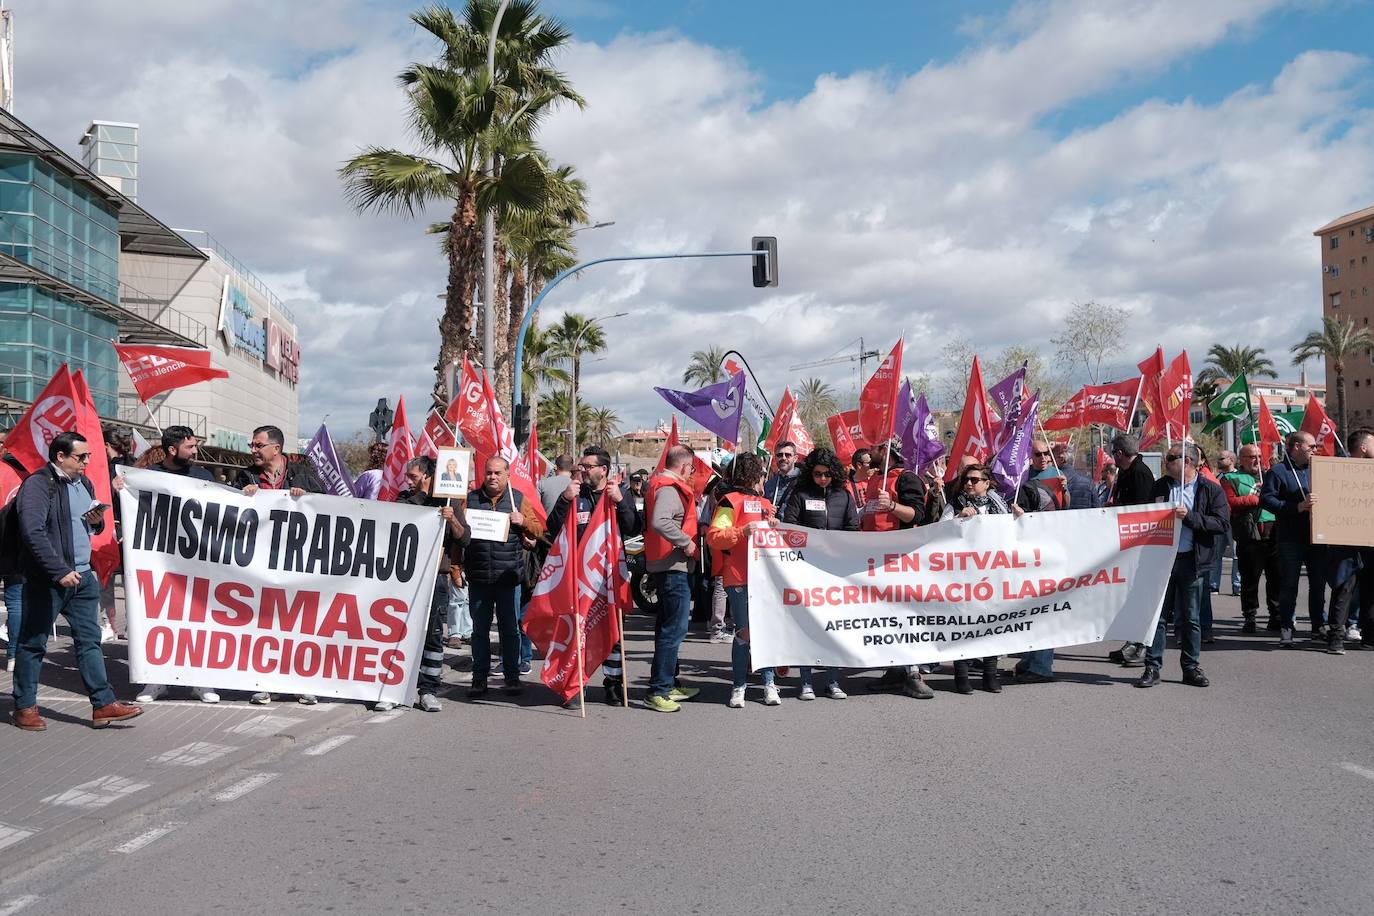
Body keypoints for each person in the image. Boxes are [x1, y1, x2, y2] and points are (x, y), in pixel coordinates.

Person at [10, 432, 143, 731]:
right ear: (60, 456)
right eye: (80, 457)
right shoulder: (38, 484)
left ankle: (103, 704)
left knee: (89, 642)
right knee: (34, 644)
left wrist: (95, 521)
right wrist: (58, 570)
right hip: (48, 579)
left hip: (83, 577)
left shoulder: (84, 483)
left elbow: (87, 527)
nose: (87, 462)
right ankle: (24, 707)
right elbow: (32, 532)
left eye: (88, 456)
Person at [119, 426, 222, 704]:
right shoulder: (148, 477)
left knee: (198, 623)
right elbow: (127, 508)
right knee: (159, 620)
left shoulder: (203, 476)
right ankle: (156, 681)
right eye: (190, 447)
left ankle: (201, 681)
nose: (195, 451)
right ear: (172, 450)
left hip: (196, 564)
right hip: (159, 563)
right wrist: (121, 489)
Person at [234, 425, 326, 704]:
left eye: (258, 445)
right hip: (260, 565)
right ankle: (264, 682)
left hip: (297, 564)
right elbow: (229, 513)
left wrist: (306, 497)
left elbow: (329, 508)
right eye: (252, 445)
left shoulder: (303, 474)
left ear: (276, 448)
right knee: (263, 625)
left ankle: (302, 682)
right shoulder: (246, 476)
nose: (253, 450)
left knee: (297, 624)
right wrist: (242, 495)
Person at [546, 445, 640, 708]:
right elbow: (552, 527)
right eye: (581, 467)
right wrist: (565, 499)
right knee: (578, 633)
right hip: (580, 577)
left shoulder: (619, 493)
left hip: (609, 575)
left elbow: (633, 527)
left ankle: (613, 684)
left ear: (604, 470)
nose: (583, 471)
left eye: (588, 467)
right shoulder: (575, 494)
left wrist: (621, 504)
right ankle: (575, 685)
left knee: (612, 630)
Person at [1135, 443, 1229, 689]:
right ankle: (1152, 667)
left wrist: (1190, 517)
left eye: (1171, 457)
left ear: (1187, 461)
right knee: (1157, 617)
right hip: (1161, 562)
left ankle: (1190, 668)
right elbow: (1144, 517)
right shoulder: (1160, 487)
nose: (1166, 462)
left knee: (1190, 617)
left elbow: (1221, 523)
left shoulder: (1209, 489)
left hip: (1191, 561)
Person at [380, 456, 469, 711]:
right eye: (408, 476)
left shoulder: (449, 503)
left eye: (413, 476)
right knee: (397, 632)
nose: (408, 480)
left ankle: (428, 689)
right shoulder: (403, 500)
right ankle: (392, 688)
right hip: (405, 578)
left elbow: (465, 540)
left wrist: (451, 519)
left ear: (429, 476)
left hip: (436, 579)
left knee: (432, 635)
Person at [781, 447, 857, 700]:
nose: (822, 479)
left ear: (834, 473)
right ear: (810, 473)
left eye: (827, 474)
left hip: (834, 572)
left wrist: (838, 549)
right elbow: (790, 526)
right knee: (807, 626)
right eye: (817, 474)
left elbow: (852, 528)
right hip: (806, 569)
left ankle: (833, 681)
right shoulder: (800, 494)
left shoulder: (844, 496)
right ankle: (805, 682)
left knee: (833, 627)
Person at [704, 453, 780, 708]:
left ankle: (769, 684)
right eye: (759, 472)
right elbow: (714, 537)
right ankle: (739, 686)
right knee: (744, 633)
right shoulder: (729, 503)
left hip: (766, 579)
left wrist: (775, 525)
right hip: (739, 577)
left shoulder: (766, 504)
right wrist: (742, 531)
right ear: (753, 474)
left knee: (765, 634)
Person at [862, 442, 936, 699]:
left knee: (905, 616)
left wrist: (892, 506)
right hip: (873, 560)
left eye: (874, 447)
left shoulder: (907, 479)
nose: (868, 451)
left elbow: (917, 515)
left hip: (898, 560)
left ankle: (914, 673)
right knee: (886, 617)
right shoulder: (874, 480)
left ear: (887, 450)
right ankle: (895, 669)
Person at [941, 461, 1023, 693]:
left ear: (987, 483)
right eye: (966, 480)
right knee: (964, 625)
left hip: (993, 574)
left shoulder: (1001, 505)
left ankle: (990, 675)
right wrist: (958, 518)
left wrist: (1019, 518)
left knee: (992, 625)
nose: (968, 484)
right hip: (964, 576)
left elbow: (1015, 535)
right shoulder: (956, 503)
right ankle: (962, 676)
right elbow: (938, 531)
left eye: (974, 480)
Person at [465, 457, 541, 699]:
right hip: (479, 578)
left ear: (507, 474)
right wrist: (456, 568)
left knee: (510, 630)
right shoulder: (471, 499)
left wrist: (524, 521)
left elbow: (539, 529)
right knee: (479, 631)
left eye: (498, 473)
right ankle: (479, 679)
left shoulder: (518, 499)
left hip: (509, 579)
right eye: (488, 473)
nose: (492, 477)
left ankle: (512, 677)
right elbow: (460, 537)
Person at [643, 445, 701, 712]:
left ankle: (668, 684)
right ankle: (659, 689)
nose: (692, 473)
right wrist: (686, 543)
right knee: (673, 631)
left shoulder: (661, 484)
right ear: (684, 466)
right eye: (692, 469)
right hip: (672, 566)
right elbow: (660, 521)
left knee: (668, 628)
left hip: (668, 565)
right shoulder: (668, 488)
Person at [1260, 431, 1330, 648]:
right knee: (1289, 584)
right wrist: (1295, 507)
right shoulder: (1279, 472)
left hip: (1317, 537)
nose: (1314, 450)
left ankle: (1318, 626)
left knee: (1318, 584)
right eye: (1311, 446)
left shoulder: (1318, 469)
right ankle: (1287, 626)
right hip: (1290, 538)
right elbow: (1266, 500)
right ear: (1297, 447)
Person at [1220, 444, 1279, 634]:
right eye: (1252, 456)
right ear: (1242, 459)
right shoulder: (1231, 478)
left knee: (1276, 578)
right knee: (1250, 580)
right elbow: (1230, 502)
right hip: (1250, 536)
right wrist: (1256, 500)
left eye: (1259, 456)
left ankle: (1276, 616)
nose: (1257, 460)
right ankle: (1250, 616)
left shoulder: (1271, 476)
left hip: (1274, 532)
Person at [1109, 434, 1155, 666]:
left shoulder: (1140, 474)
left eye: (1113, 452)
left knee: (1140, 597)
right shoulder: (1126, 472)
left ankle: (1141, 645)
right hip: (1127, 544)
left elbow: (1142, 512)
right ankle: (1132, 641)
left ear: (1119, 453)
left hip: (1139, 545)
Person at [98, 424, 134, 643]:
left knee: (121, 579)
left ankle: (122, 624)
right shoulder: (102, 466)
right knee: (111, 579)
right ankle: (114, 625)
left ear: (106, 445)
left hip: (121, 529)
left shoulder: (129, 466)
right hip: (114, 529)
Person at [1346, 428, 1374, 649]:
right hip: (1352, 541)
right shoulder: (1342, 472)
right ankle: (1353, 626)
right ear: (1363, 448)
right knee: (1356, 588)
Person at [1052, 442, 1099, 510]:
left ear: (1061, 459)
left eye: (1052, 457)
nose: (1049, 460)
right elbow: (1097, 508)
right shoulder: (1088, 481)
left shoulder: (1053, 481)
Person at [763, 441, 800, 510]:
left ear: (795, 458)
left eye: (788, 455)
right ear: (775, 458)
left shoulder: (804, 481)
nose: (783, 458)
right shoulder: (769, 484)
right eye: (779, 455)